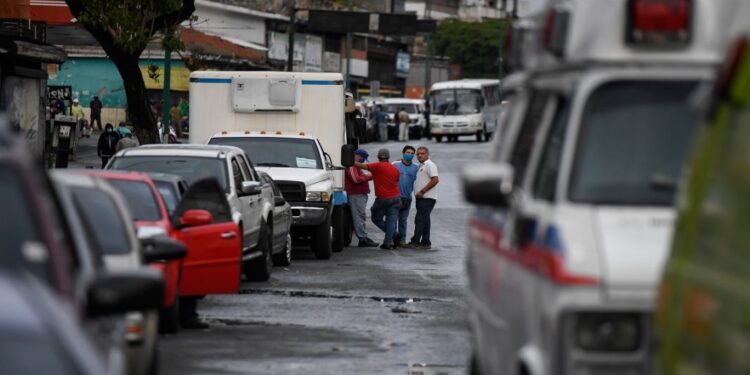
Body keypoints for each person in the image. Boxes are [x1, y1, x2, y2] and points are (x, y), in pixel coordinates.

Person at [354, 148, 401, 250]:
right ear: (388, 157)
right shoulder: (395, 169)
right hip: (396, 198)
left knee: (376, 218)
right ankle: (388, 243)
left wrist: (349, 161)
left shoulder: (377, 166)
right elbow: (396, 181)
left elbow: (361, 165)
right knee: (391, 221)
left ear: (379, 157)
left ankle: (394, 234)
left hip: (383, 198)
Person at [345, 149, 378, 248]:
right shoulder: (352, 165)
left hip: (359, 194)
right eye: (363, 158)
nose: (363, 160)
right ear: (358, 156)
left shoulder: (355, 166)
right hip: (356, 194)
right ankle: (362, 238)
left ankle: (363, 237)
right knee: (359, 217)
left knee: (361, 216)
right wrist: (368, 177)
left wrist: (366, 176)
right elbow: (355, 179)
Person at [408, 146, 439, 249]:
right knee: (425, 220)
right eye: (418, 154)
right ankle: (426, 242)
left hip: (427, 198)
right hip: (421, 198)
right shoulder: (421, 166)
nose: (419, 155)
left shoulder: (430, 165)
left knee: (419, 219)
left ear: (427, 155)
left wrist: (422, 191)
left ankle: (415, 241)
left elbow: (435, 179)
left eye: (422, 153)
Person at [392, 145, 419, 247]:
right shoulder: (395, 164)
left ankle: (402, 240)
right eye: (408, 152)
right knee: (393, 220)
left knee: (403, 221)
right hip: (395, 197)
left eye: (412, 153)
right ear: (403, 153)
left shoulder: (416, 167)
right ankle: (392, 239)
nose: (410, 155)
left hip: (408, 198)